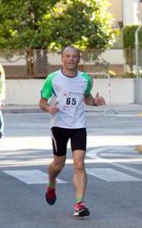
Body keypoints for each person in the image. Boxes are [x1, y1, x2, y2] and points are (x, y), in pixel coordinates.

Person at [39, 45, 105, 218]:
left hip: (78, 125)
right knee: (58, 164)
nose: (70, 59)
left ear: (78, 58)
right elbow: (42, 101)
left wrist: (95, 102)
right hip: (59, 125)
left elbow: (86, 97)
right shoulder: (53, 78)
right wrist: (48, 108)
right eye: (67, 56)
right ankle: (51, 182)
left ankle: (79, 204)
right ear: (62, 59)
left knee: (79, 163)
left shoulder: (85, 78)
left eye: (74, 56)